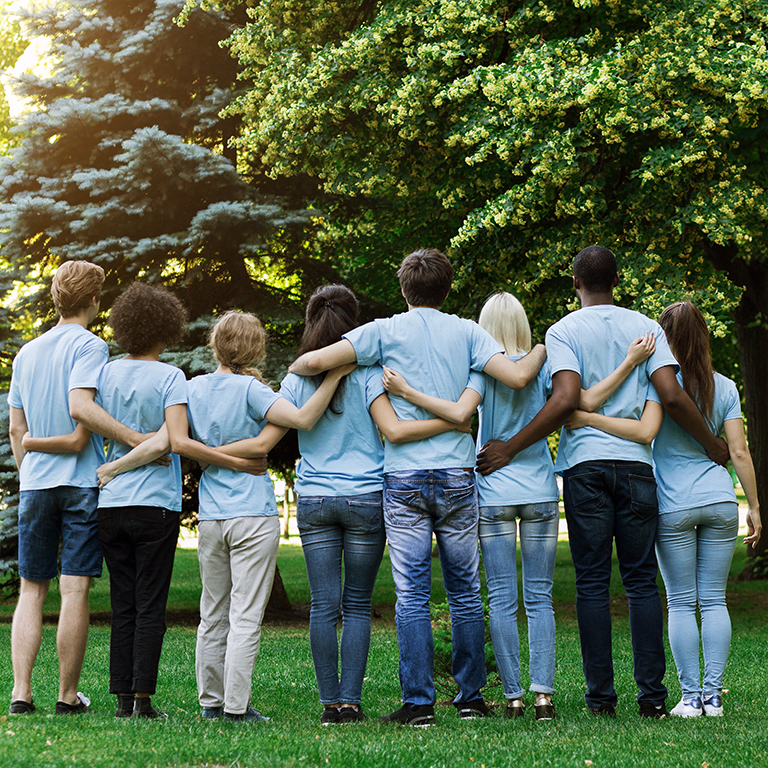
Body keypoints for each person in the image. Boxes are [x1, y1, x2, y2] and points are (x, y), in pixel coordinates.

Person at [289, 249, 547, 726]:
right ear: (447, 289)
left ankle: (419, 704)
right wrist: (541, 349)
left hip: (403, 477)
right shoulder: (470, 332)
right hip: (456, 476)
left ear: (404, 290)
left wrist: (347, 363)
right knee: (467, 590)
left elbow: (309, 363)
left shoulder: (383, 332)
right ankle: (470, 699)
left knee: (411, 594)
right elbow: (514, 376)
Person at [475, 245, 730, 718]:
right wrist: (713, 444)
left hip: (584, 469)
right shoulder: (647, 327)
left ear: (575, 282)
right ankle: (652, 699)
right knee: (641, 582)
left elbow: (566, 398)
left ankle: (601, 700)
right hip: (636, 466)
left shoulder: (563, 330)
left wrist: (508, 446)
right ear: (618, 280)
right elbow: (672, 397)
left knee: (592, 583)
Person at [382, 292, 655, 721]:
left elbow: (460, 416)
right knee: (540, 598)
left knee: (503, 598)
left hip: (493, 490)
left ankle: (512, 696)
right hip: (540, 489)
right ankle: (543, 696)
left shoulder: (479, 367)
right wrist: (624, 363)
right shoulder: (545, 363)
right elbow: (577, 403)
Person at [101, 309, 354, 722]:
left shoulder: (192, 388)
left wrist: (114, 467)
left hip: (213, 517)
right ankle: (236, 708)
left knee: (212, 613)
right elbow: (304, 418)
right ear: (255, 348)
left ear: (215, 345)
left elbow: (172, 442)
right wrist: (333, 376)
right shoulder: (253, 392)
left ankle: (210, 704)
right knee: (245, 616)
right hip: (252, 514)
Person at [274, 285, 472, 725]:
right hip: (365, 498)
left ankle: (329, 705)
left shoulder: (295, 379)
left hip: (314, 499)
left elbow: (282, 424)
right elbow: (394, 430)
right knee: (358, 604)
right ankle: (351, 702)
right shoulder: (369, 374)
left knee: (324, 605)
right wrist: (454, 422)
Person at [568, 301, 761, 717]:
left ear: (665, 340)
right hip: (721, 500)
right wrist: (756, 507)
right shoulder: (725, 387)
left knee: (680, 600)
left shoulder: (657, 386)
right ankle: (714, 696)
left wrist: (588, 419)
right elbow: (739, 452)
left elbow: (643, 431)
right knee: (714, 600)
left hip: (673, 504)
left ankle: (690, 697)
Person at [7, 260, 149, 716]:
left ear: (55, 297)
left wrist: (31, 470)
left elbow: (16, 429)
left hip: (35, 486)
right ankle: (67, 697)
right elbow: (81, 408)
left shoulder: (27, 352)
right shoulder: (90, 346)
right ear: (94, 300)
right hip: (81, 485)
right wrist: (135, 440)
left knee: (32, 589)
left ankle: (20, 693)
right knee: (74, 589)